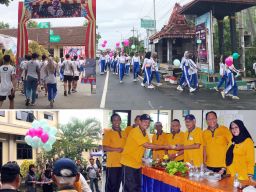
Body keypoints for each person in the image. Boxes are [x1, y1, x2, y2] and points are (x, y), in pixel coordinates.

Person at [120, 114, 175, 192]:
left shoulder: (145, 133)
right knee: (129, 188)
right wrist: (166, 147)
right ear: (139, 122)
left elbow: (148, 146)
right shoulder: (135, 131)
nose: (147, 124)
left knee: (137, 188)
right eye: (145, 121)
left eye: (148, 122)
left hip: (137, 164)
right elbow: (148, 145)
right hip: (128, 164)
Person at [103, 113, 126, 192]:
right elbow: (104, 147)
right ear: (112, 122)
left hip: (123, 164)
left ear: (120, 121)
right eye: (114, 120)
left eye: (118, 119)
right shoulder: (108, 132)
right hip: (112, 165)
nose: (117, 121)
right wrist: (116, 149)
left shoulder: (124, 133)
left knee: (118, 186)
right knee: (111, 187)